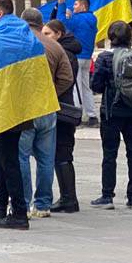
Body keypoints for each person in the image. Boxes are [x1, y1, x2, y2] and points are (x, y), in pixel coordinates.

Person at [0, 0, 58, 230]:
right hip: (23, 106)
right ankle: (1, 207)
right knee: (6, 158)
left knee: (9, 160)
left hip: (4, 106)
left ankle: (19, 214)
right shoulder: (24, 34)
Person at [90, 20, 132, 210]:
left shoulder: (105, 58)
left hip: (111, 111)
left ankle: (107, 196)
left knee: (109, 154)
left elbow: (96, 86)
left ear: (111, 37)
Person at [19, 7, 70, 219]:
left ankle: (22, 202)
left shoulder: (19, 43)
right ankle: (43, 204)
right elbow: (66, 78)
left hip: (24, 108)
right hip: (48, 108)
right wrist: (50, 93)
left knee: (21, 156)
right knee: (46, 159)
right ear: (41, 25)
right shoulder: (55, 46)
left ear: (23, 23)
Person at [43, 19, 81, 212]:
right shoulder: (68, 52)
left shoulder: (64, 53)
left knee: (62, 153)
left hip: (62, 108)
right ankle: (68, 196)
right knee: (62, 153)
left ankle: (69, 198)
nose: (44, 37)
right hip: (63, 106)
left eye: (47, 34)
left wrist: (49, 95)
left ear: (58, 34)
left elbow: (66, 80)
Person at [68, 0, 98, 125]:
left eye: (75, 4)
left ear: (83, 6)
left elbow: (62, 24)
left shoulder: (76, 19)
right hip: (87, 57)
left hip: (77, 57)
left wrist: (62, 6)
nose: (74, 7)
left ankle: (77, 115)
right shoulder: (93, 18)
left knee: (76, 87)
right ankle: (92, 115)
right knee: (86, 87)